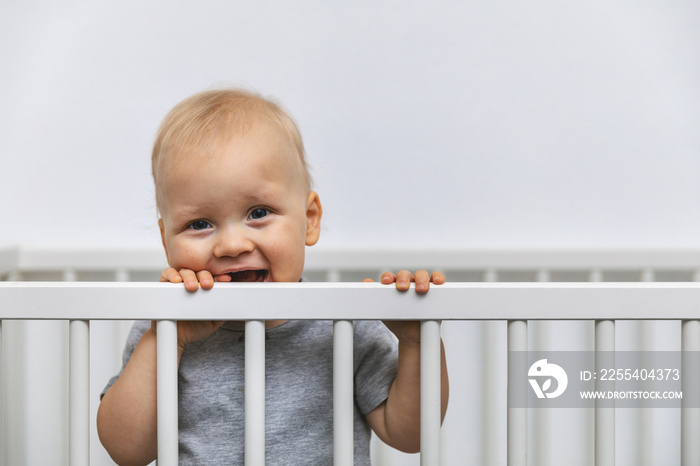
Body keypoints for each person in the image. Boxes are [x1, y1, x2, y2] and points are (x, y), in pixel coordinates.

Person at [96, 88, 449, 465]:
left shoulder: (345, 322)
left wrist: (416, 342)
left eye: (258, 212)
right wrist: (166, 341)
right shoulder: (166, 325)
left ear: (309, 220)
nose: (231, 244)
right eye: (200, 224)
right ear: (167, 242)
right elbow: (126, 452)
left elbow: (411, 435)